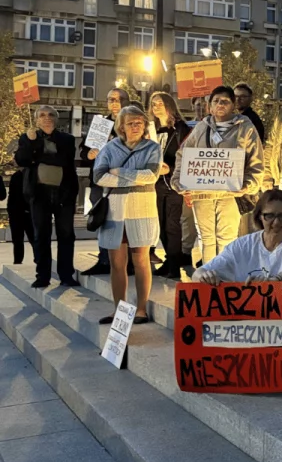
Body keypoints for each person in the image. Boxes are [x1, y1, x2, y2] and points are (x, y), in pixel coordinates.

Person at [192, 190, 282, 346]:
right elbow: (198, 273)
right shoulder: (242, 245)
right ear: (260, 217)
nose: (276, 222)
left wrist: (275, 281)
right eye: (270, 216)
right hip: (254, 322)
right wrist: (205, 276)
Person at [173, 86, 265, 265]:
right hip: (203, 193)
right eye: (216, 101)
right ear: (209, 106)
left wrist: (249, 184)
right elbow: (183, 154)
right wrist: (178, 180)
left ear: (233, 105)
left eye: (225, 101)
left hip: (230, 194)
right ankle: (208, 278)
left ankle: (224, 280)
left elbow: (257, 161)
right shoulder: (201, 128)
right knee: (206, 238)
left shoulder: (246, 128)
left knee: (227, 237)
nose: (220, 105)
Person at [93, 105, 162, 324]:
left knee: (141, 259)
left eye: (139, 123)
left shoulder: (152, 148)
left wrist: (120, 173)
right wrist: (133, 177)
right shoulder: (109, 148)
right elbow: (99, 177)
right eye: (131, 123)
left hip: (142, 210)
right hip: (115, 211)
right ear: (121, 126)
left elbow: (151, 176)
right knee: (117, 262)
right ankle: (119, 310)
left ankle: (141, 309)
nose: (135, 127)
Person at [16, 106, 80, 288]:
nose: (47, 118)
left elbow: (62, 160)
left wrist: (38, 156)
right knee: (40, 236)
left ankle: (66, 275)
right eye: (42, 115)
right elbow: (22, 160)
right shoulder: (27, 138)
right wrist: (32, 143)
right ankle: (42, 276)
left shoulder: (67, 139)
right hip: (39, 195)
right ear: (36, 119)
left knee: (66, 235)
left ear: (57, 119)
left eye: (51, 114)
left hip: (64, 195)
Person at [81, 88, 131, 276]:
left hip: (125, 181)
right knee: (101, 221)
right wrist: (88, 153)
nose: (114, 103)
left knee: (126, 223)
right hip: (101, 182)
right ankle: (104, 260)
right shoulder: (101, 125)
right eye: (111, 100)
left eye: (119, 99)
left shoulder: (134, 122)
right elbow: (83, 151)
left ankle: (130, 263)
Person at [149, 92, 192, 279]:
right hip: (153, 183)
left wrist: (171, 168)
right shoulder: (151, 129)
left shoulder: (180, 129)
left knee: (172, 225)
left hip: (173, 182)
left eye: (160, 103)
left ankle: (174, 265)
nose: (156, 107)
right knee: (159, 224)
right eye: (153, 104)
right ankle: (170, 260)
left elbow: (189, 156)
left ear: (170, 106)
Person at [7, 168, 31, 266]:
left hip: (21, 212)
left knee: (21, 239)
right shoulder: (16, 176)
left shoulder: (19, 176)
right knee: (18, 240)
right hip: (19, 212)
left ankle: (18, 261)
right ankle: (18, 260)